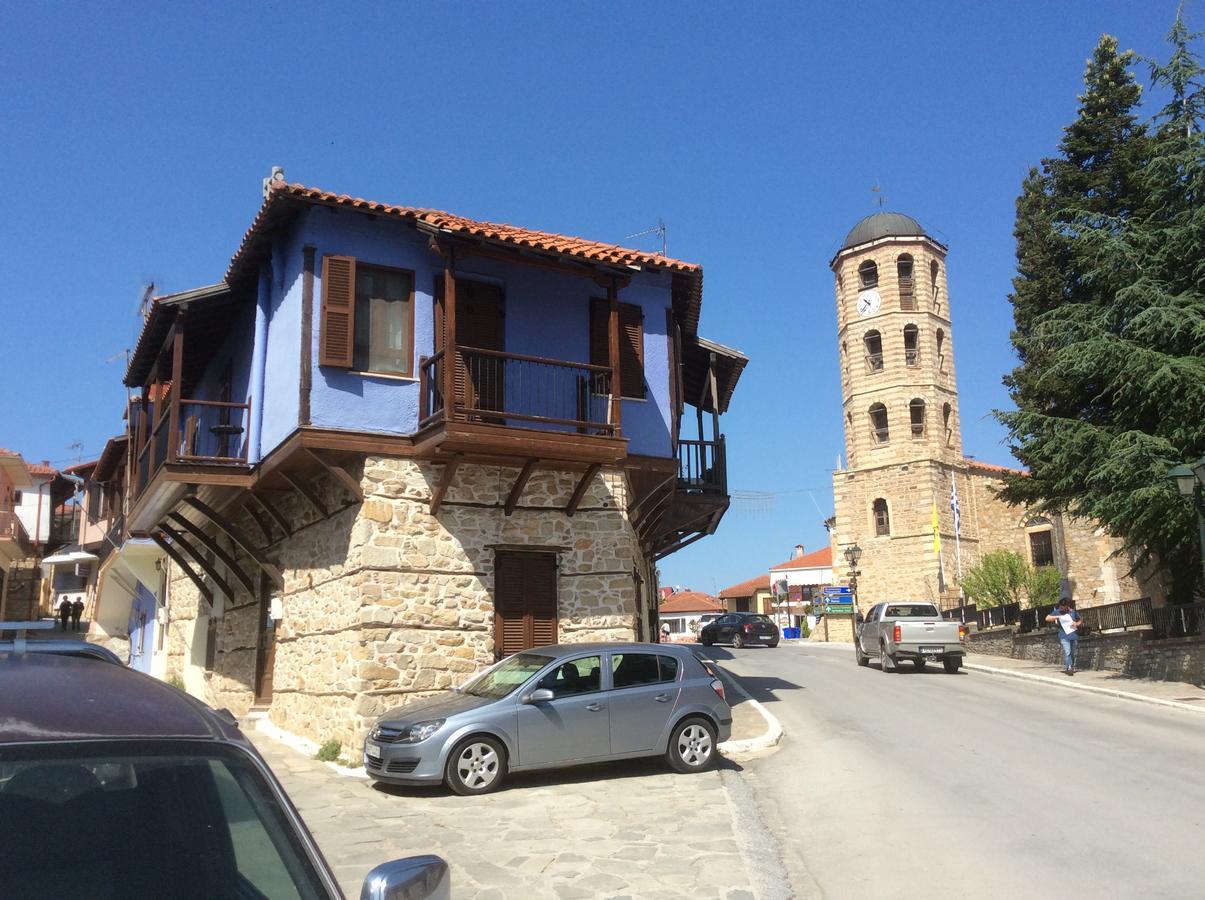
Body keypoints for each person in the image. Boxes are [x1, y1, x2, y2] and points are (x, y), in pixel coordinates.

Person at [1044, 597, 1082, 675]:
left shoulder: (1073, 612)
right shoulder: (1057, 612)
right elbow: (1047, 618)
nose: (1061, 608)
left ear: (1067, 606)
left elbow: (1080, 620)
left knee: (1072, 653)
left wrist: (1076, 624)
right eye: (1060, 606)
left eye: (1062, 607)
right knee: (1067, 652)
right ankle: (1069, 668)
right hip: (1064, 636)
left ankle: (1071, 666)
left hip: (1073, 635)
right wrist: (1058, 617)